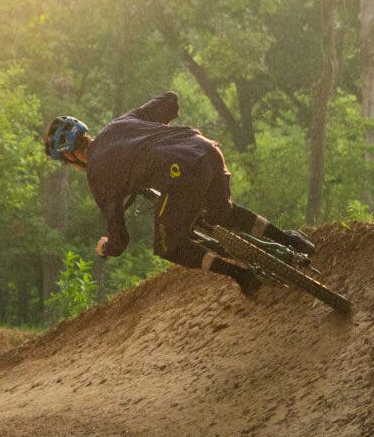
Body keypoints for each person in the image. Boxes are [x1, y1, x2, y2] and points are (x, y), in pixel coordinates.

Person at [43, 92, 314, 297]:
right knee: (224, 213)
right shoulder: (119, 124)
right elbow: (170, 100)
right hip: (206, 149)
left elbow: (120, 237)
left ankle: (243, 276)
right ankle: (292, 240)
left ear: (70, 156)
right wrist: (156, 133)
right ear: (85, 132)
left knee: (167, 246)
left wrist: (106, 247)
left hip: (181, 175)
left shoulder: (97, 176)